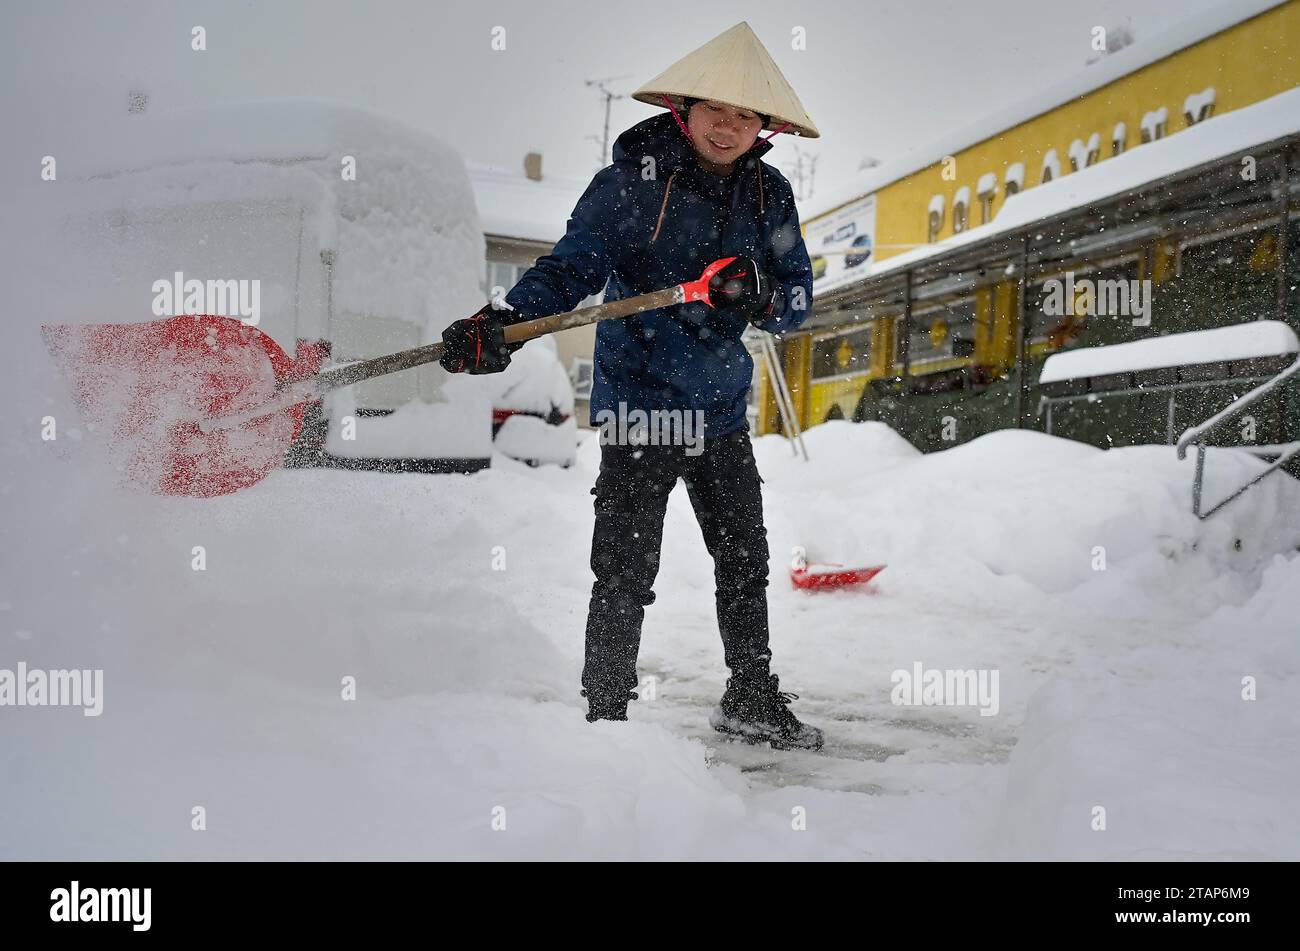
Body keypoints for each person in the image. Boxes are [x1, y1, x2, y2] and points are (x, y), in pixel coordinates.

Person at [440, 22, 822, 750]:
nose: (729, 126)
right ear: (683, 106)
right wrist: (507, 321)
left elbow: (800, 298)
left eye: (746, 115)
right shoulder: (631, 180)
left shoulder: (770, 195)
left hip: (719, 411)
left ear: (765, 126)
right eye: (716, 109)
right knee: (624, 571)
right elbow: (573, 268)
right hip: (641, 405)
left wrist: (762, 295)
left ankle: (750, 693)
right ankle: (605, 719)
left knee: (746, 563)